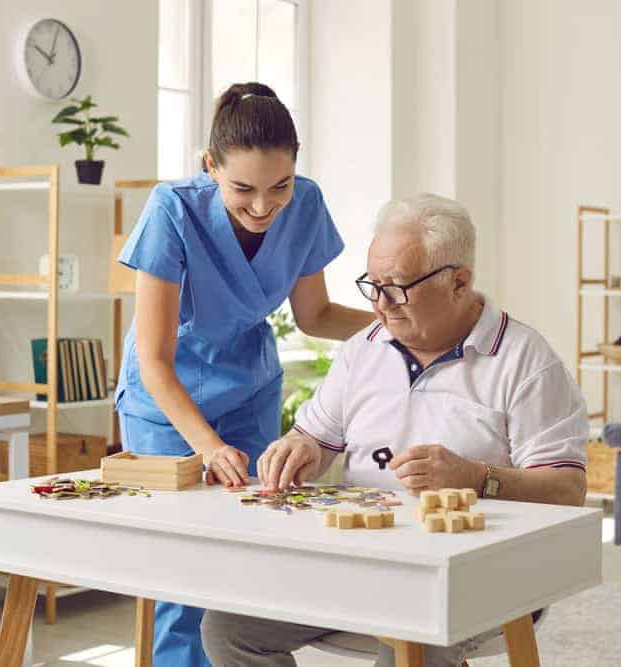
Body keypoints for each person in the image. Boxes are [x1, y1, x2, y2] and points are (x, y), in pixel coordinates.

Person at [201, 193, 589, 667]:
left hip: (480, 576)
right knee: (228, 628)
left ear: (458, 282)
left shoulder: (526, 360)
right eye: (373, 285)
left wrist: (477, 477)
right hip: (361, 563)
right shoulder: (363, 349)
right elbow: (316, 440)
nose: (380, 306)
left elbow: (568, 490)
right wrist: (298, 448)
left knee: (413, 641)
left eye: (398, 288)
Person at [114, 82, 375, 666]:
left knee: (252, 554)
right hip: (166, 403)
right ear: (210, 167)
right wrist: (206, 447)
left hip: (251, 388)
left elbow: (317, 315)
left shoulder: (305, 204)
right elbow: (153, 360)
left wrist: (403, 323)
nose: (264, 207)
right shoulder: (171, 208)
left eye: (278, 186)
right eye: (243, 190)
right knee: (183, 573)